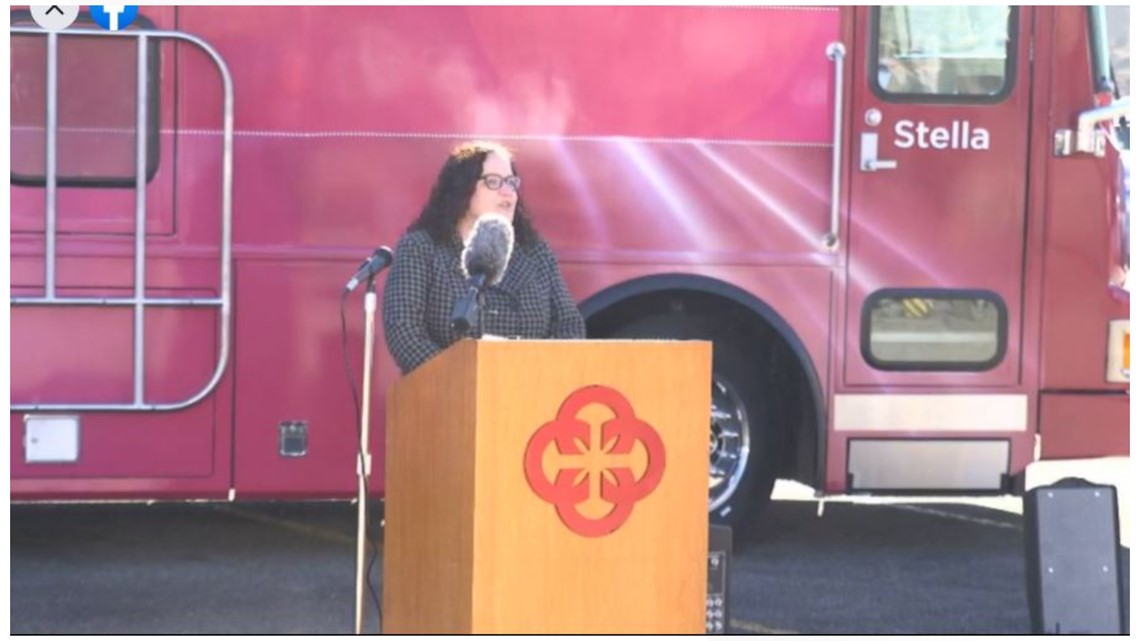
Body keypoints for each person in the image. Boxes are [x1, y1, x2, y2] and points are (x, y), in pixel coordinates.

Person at [382, 140, 586, 375]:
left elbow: (570, 326)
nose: (507, 191)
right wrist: (463, 380)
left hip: (526, 388)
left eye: (511, 182)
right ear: (463, 188)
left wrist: (532, 373)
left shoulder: (535, 252)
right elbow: (405, 333)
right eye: (493, 181)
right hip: (449, 391)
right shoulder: (421, 248)